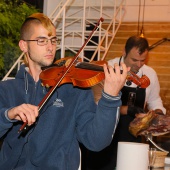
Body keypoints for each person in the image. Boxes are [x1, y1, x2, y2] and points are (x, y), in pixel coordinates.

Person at [0, 13, 129, 170]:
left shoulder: (74, 89)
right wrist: (9, 114)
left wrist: (110, 97)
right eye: (42, 41)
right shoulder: (7, 89)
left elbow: (96, 142)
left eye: (53, 40)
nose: (50, 47)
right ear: (24, 45)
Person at [83, 35, 166, 170]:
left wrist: (157, 113)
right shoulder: (108, 69)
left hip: (134, 136)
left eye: (142, 60)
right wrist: (129, 109)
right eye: (134, 60)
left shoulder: (150, 74)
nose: (138, 65)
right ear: (124, 52)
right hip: (108, 134)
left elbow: (155, 100)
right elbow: (98, 104)